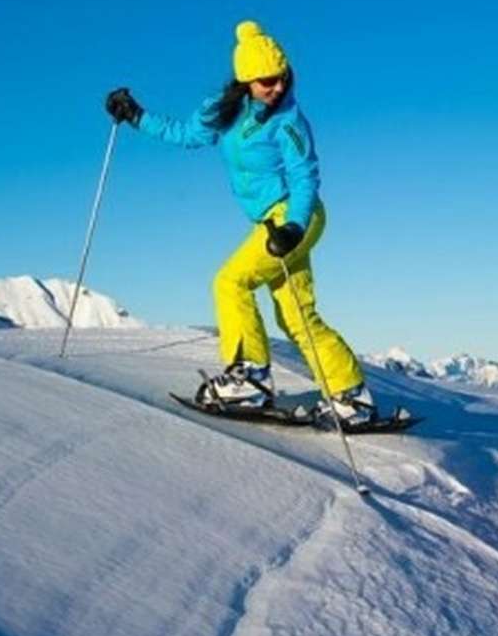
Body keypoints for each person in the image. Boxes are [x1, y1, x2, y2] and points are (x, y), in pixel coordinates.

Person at [105, 21, 375, 424]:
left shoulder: (289, 120)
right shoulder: (224, 108)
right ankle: (350, 395)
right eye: (268, 81)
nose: (277, 88)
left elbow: (305, 178)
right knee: (296, 314)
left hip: (294, 217)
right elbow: (186, 134)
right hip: (270, 223)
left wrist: (294, 227)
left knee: (230, 282)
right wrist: (137, 116)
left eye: (282, 78)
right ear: (247, 79)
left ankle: (250, 378)